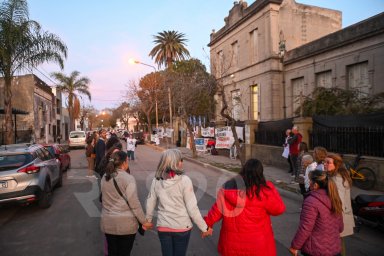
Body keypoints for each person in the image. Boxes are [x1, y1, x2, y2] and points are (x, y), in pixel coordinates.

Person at [204, 159, 286, 256]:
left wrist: (206, 226)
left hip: (232, 244)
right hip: (258, 244)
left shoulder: (229, 187)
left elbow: (215, 213)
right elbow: (279, 209)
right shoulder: (264, 191)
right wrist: (270, 187)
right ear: (260, 173)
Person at [145, 149, 212, 256]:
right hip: (182, 227)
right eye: (181, 160)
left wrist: (148, 220)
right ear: (174, 162)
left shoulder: (156, 180)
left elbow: (150, 201)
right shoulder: (185, 181)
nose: (182, 162)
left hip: (164, 226)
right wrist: (205, 228)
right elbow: (192, 209)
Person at [100, 151, 152, 256]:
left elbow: (103, 198)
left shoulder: (105, 177)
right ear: (124, 162)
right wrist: (143, 221)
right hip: (126, 226)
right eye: (127, 160)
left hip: (109, 223)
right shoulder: (128, 178)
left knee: (112, 252)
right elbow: (134, 204)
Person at [289, 170, 344, 256]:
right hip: (334, 249)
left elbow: (305, 228)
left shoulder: (311, 201)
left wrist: (295, 246)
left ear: (315, 185)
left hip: (316, 250)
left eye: (310, 180)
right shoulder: (334, 198)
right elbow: (340, 227)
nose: (309, 182)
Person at [324, 153, 354, 256]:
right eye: (325, 162)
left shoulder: (337, 179)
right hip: (339, 217)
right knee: (338, 244)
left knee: (338, 246)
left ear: (336, 165)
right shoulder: (334, 175)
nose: (325, 164)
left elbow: (338, 203)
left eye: (328, 162)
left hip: (339, 217)